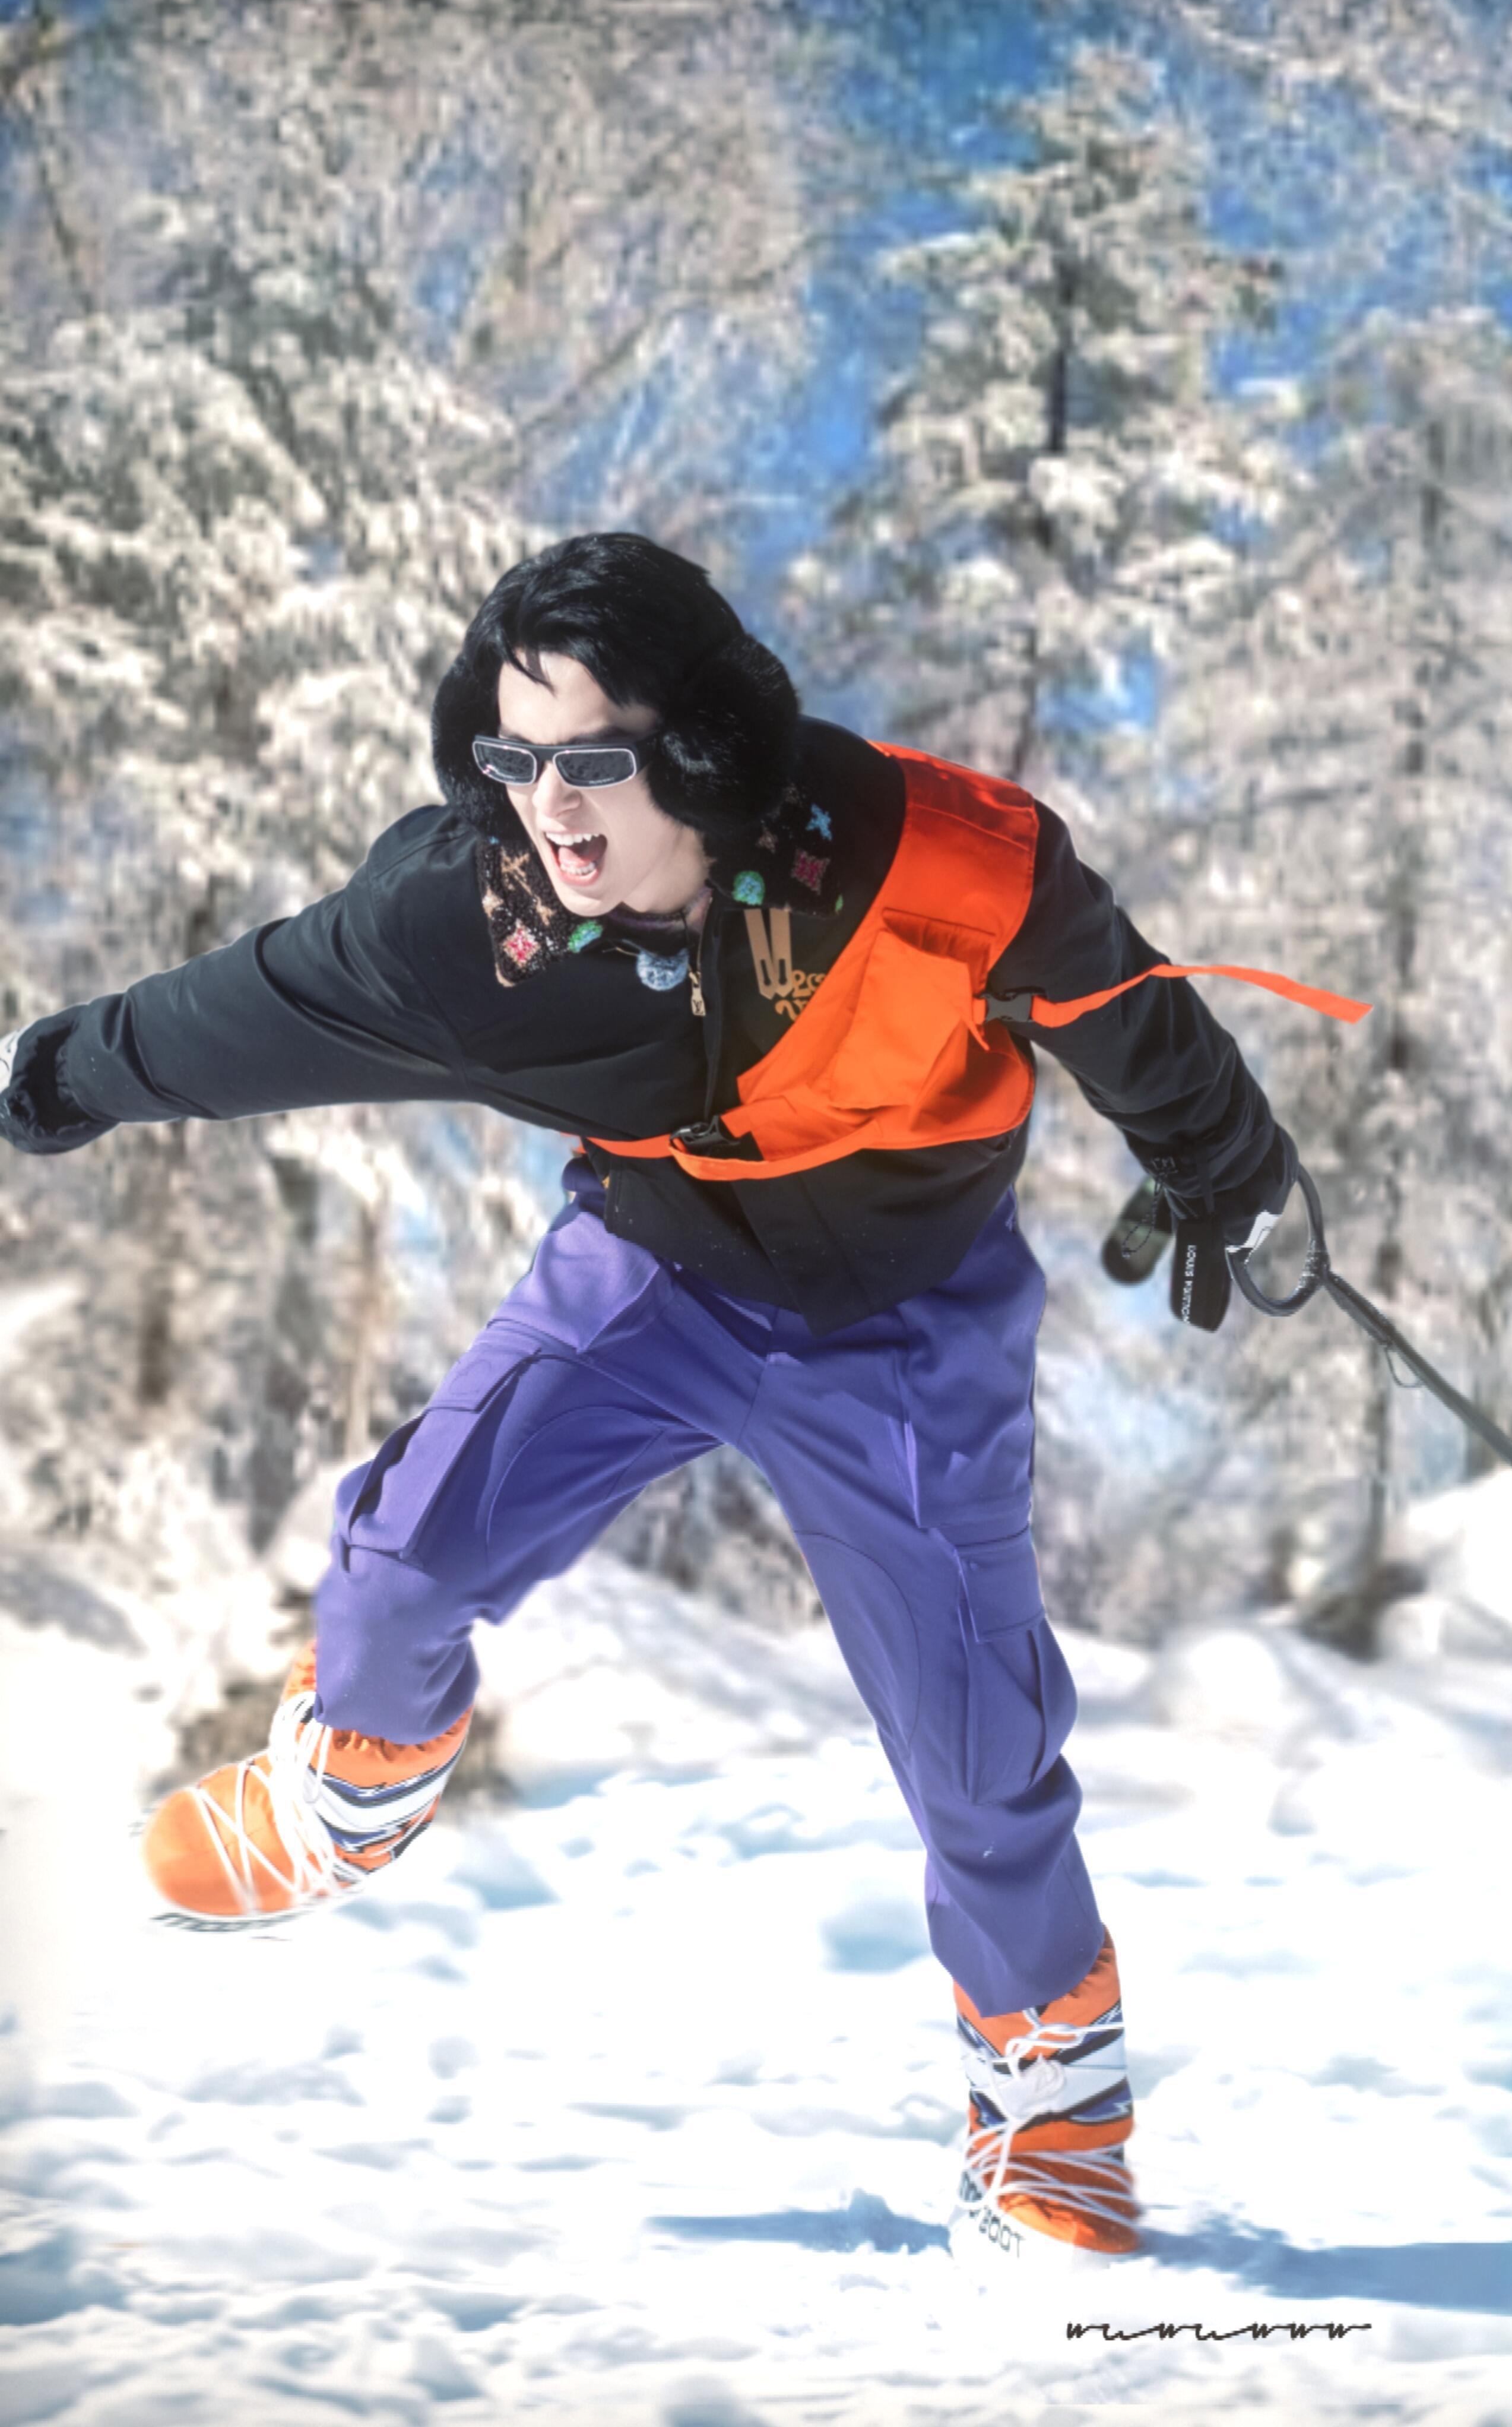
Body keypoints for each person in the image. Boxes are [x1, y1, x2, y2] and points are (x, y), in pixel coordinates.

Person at [0, 531, 1347, 2261]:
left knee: (974, 1743)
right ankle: (352, 1782)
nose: (547, 809)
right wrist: (58, 1074)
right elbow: (251, 1008)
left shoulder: (935, 859)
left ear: (702, 750)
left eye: (591, 762)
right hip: (661, 1269)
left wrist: (1224, 1168)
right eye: (513, 759)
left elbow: (1123, 1004)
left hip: (911, 1320)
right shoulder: (470, 930)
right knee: (409, 1556)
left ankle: (1055, 2117)